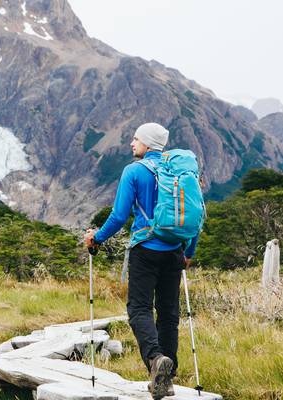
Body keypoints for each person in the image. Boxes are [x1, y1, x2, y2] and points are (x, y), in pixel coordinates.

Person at [83, 122, 198, 399]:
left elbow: (119, 216)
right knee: (169, 313)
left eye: (136, 139)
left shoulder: (134, 171)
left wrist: (96, 238)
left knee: (138, 309)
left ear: (147, 144)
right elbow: (196, 216)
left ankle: (156, 360)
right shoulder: (179, 172)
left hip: (145, 249)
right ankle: (166, 378)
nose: (132, 143)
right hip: (174, 251)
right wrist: (188, 253)